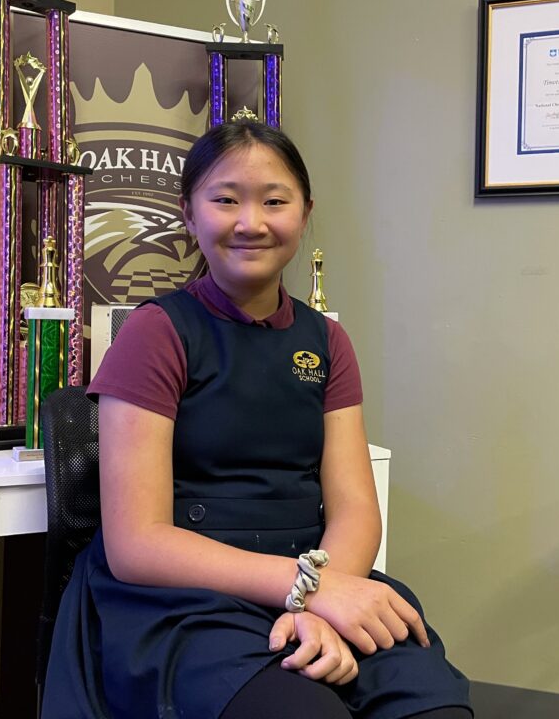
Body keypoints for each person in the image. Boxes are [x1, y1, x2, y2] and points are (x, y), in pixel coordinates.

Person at [43, 121, 472, 719]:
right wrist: (308, 591)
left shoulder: (326, 341)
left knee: (432, 708)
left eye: (275, 201)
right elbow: (136, 543)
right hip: (184, 603)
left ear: (305, 212)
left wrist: (318, 603)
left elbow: (353, 507)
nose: (251, 222)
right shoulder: (156, 333)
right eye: (225, 200)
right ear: (189, 216)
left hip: (316, 579)